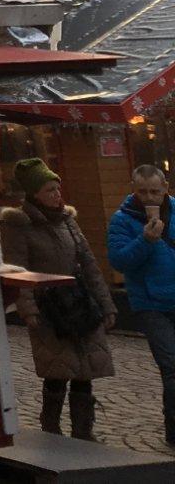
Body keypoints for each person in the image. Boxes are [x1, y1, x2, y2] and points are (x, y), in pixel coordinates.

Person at [0, 157, 115, 440]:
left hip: (80, 304)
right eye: (50, 190)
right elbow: (17, 270)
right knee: (58, 370)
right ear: (34, 193)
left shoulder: (68, 222)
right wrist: (28, 310)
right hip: (49, 308)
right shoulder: (19, 226)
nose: (57, 195)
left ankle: (83, 432)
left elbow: (89, 265)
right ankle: (51, 428)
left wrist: (106, 304)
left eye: (57, 188)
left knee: (85, 369)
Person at [108, 163, 175, 448]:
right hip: (150, 303)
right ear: (133, 189)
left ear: (165, 189)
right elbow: (119, 260)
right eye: (142, 191)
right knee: (172, 365)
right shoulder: (123, 219)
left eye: (155, 191)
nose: (149, 197)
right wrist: (145, 241)